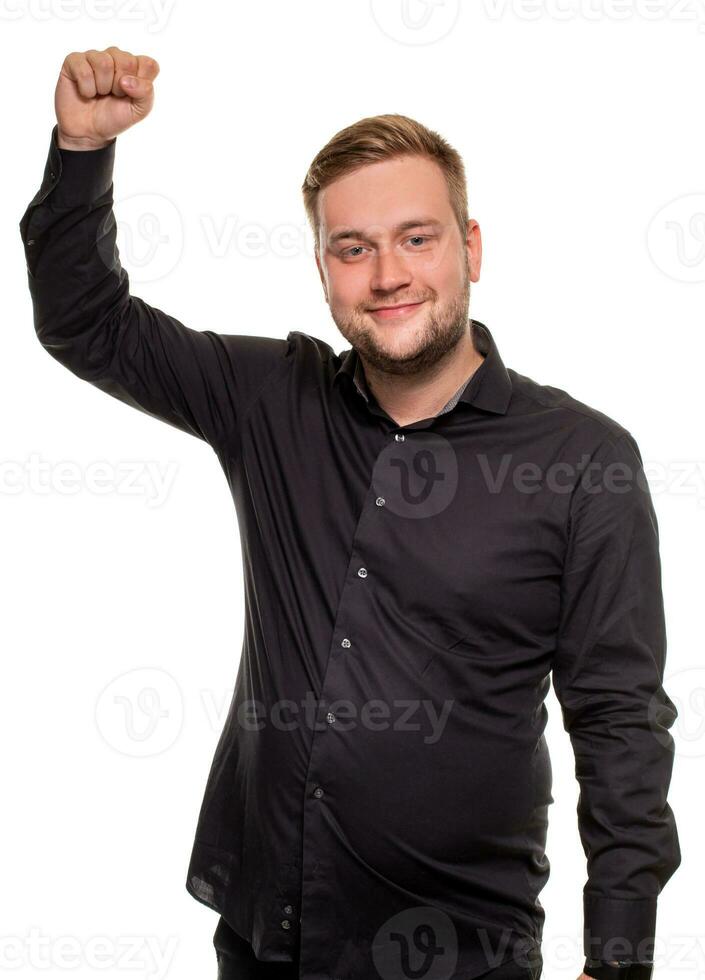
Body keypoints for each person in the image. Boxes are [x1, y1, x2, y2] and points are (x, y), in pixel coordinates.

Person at [19, 46, 680, 980]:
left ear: (471, 248)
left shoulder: (582, 460)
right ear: (323, 266)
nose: (387, 274)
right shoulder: (268, 399)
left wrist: (620, 960)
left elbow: (617, 723)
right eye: (352, 247)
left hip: (458, 953)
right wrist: (82, 149)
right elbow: (85, 322)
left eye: (417, 238)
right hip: (264, 937)